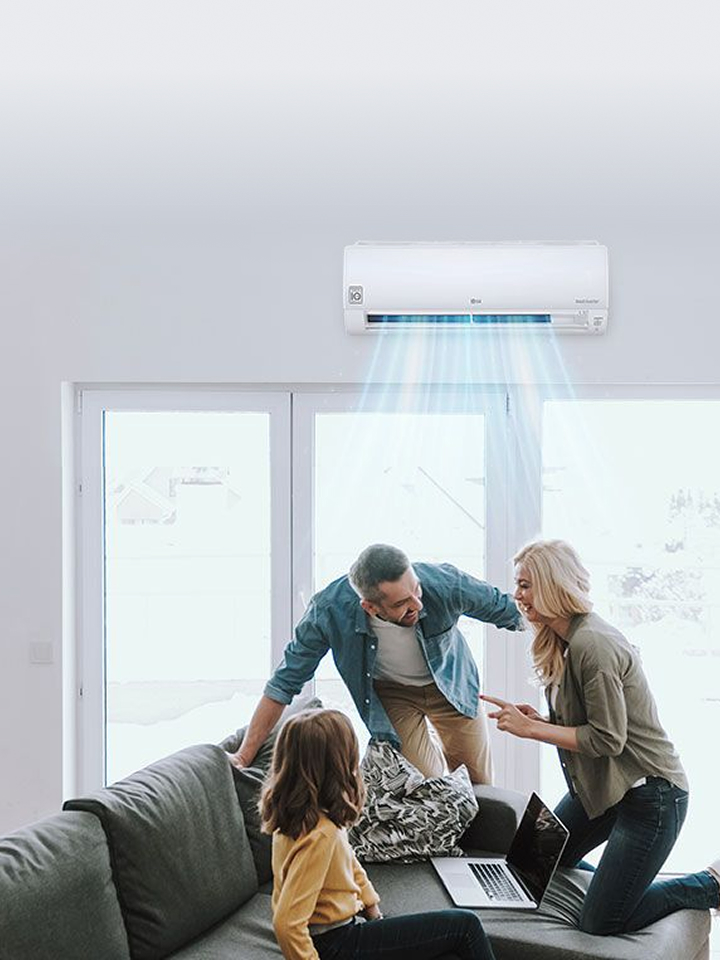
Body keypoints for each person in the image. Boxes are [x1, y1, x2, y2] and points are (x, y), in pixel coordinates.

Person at [481, 538, 720, 935]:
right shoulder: (561, 638)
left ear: (554, 584)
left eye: (525, 585)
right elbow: (590, 722)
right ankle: (618, 885)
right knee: (531, 861)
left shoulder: (594, 643)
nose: (517, 595)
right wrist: (538, 718)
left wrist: (533, 730)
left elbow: (609, 739)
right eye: (517, 584)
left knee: (601, 922)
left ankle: (708, 884)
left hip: (651, 796)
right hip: (606, 786)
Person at [230, 543, 523, 783]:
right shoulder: (329, 611)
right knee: (427, 788)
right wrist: (243, 756)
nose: (417, 605)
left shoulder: (444, 583)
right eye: (401, 604)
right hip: (393, 695)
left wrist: (563, 622)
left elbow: (510, 610)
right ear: (369, 606)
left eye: (416, 591)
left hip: (451, 686)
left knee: (479, 787)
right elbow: (284, 683)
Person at [261, 707, 498, 960]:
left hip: (342, 933)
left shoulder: (304, 817)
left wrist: (373, 909)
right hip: (336, 943)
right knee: (465, 926)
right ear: (339, 764)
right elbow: (287, 922)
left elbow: (349, 864)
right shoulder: (320, 834)